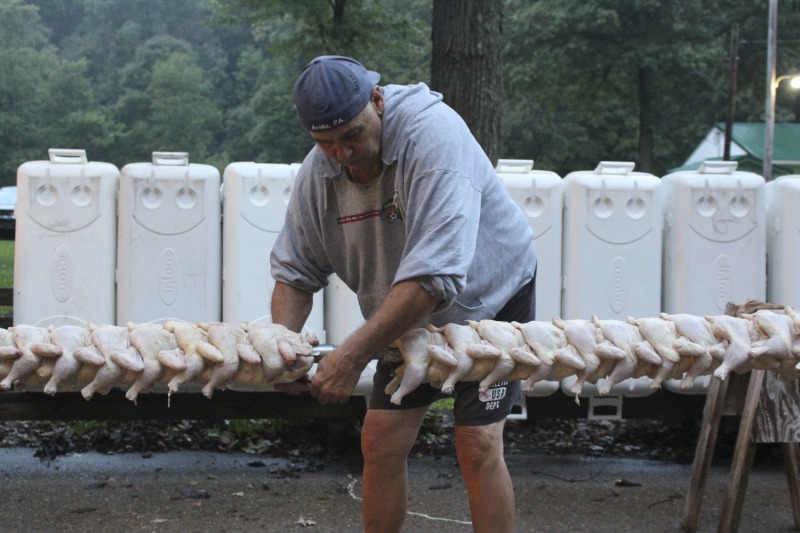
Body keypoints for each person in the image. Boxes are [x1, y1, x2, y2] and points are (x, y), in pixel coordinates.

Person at [269, 55, 537, 533]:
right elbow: (296, 271)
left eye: (351, 135)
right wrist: (280, 349)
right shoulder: (319, 172)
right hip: (406, 312)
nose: (342, 154)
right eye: (325, 143)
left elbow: (435, 276)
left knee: (476, 442)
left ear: (377, 100)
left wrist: (351, 356)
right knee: (381, 441)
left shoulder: (433, 139)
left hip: (490, 298)